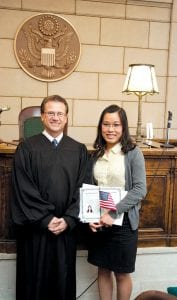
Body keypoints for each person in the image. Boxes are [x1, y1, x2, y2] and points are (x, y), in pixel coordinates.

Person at [11, 95, 88, 300]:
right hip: (35, 231)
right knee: (33, 283)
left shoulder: (79, 150)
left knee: (62, 283)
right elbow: (22, 188)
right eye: (51, 113)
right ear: (43, 117)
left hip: (65, 230)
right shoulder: (27, 148)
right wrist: (46, 219)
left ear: (66, 117)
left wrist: (69, 219)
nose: (55, 117)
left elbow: (84, 187)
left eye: (60, 113)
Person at [87, 104, 147, 300]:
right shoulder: (95, 154)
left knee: (121, 273)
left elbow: (139, 190)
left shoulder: (132, 153)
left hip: (124, 222)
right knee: (103, 270)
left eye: (116, 125)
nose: (110, 129)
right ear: (100, 127)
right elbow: (90, 188)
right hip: (100, 222)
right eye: (106, 124)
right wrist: (91, 217)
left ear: (123, 127)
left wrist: (112, 213)